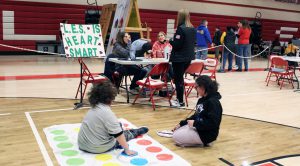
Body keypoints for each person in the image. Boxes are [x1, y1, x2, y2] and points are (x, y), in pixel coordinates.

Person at [78, 81, 149, 155]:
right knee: (123, 134)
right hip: (98, 148)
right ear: (110, 98)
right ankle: (136, 132)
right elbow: (119, 135)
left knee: (118, 125)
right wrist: (127, 150)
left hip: (83, 145)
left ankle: (122, 130)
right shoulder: (107, 113)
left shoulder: (93, 108)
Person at [172, 75, 222, 147]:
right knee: (178, 131)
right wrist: (182, 124)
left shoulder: (213, 103)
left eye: (196, 87)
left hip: (207, 134)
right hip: (200, 128)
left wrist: (195, 123)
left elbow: (213, 123)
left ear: (202, 87)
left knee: (176, 136)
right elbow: (196, 116)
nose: (195, 89)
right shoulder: (201, 100)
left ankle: (202, 142)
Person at [169, 9, 196, 108]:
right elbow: (194, 43)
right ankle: (179, 99)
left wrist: (171, 41)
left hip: (179, 59)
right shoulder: (193, 28)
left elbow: (177, 45)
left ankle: (180, 102)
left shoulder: (181, 28)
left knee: (178, 80)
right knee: (179, 79)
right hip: (188, 58)